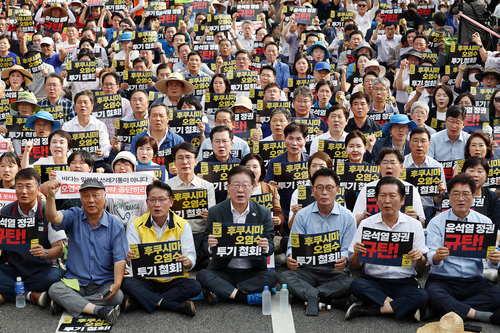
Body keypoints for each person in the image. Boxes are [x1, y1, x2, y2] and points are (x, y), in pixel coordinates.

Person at [46, 179, 128, 324]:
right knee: (55, 289)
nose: (91, 200)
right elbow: (54, 217)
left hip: (103, 283)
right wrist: (51, 196)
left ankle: (67, 303)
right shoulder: (74, 215)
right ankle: (98, 310)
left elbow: (120, 258)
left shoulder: (115, 225)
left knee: (118, 296)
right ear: (80, 199)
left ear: (104, 198)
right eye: (86, 196)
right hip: (75, 282)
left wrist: (116, 283)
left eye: (95, 195)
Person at [347, 177, 429, 320]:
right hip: (374, 281)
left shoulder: (414, 225)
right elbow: (355, 265)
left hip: (403, 281)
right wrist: (357, 254)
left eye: (392, 196)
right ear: (377, 199)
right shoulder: (367, 224)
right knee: (356, 285)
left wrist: (419, 257)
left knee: (422, 296)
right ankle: (403, 307)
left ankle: (369, 310)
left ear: (402, 200)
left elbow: (421, 267)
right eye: (382, 196)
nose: (387, 201)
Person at [425, 173, 500, 325]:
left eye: (466, 194)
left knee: (497, 294)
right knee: (432, 293)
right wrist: (437, 256)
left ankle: (440, 309)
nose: (460, 199)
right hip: (443, 280)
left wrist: (495, 258)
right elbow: (430, 254)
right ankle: (479, 315)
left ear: (473, 197)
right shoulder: (436, 222)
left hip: (473, 281)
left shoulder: (484, 222)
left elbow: (493, 256)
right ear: (449, 196)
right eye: (456, 194)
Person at [196, 166, 277, 305]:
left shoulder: (263, 212)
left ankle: (224, 293)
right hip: (223, 270)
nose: (240, 190)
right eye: (236, 185)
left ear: (252, 188)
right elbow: (205, 245)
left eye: (245, 186)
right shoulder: (215, 212)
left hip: (253, 271)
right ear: (228, 187)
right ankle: (244, 297)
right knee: (202, 275)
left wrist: (265, 247)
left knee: (271, 278)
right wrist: (210, 246)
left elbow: (271, 245)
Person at [279, 168, 356, 313]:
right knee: (284, 276)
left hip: (333, 271)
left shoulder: (348, 217)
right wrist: (290, 256)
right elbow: (293, 246)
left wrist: (344, 258)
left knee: (351, 283)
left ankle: (307, 294)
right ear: (312, 190)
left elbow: (348, 248)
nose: (324, 192)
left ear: (337, 190)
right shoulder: (302, 215)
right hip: (307, 270)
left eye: (329, 188)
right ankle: (325, 297)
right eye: (319, 188)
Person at [120, 181, 202, 316]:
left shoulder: (182, 225)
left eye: (162, 200)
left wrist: (188, 261)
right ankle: (170, 304)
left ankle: (141, 301)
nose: (157, 204)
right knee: (126, 282)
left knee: (195, 286)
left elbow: (191, 256)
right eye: (152, 200)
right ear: (147, 202)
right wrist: (129, 258)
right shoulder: (136, 225)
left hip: (173, 279)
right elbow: (132, 262)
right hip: (146, 279)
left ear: (171, 202)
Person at [0, 168, 65, 308]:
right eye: (19, 186)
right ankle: (31, 295)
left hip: (42, 270)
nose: (24, 191)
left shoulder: (49, 213)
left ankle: (8, 291)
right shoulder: (5, 212)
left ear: (39, 189)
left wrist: (45, 253)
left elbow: (59, 249)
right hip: (14, 268)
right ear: (15, 189)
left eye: (29, 186)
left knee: (56, 274)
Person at [166, 143, 216, 268]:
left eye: (188, 157)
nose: (185, 162)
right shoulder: (166, 187)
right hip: (175, 237)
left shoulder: (207, 186)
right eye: (180, 158)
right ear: (175, 162)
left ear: (195, 161)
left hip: (199, 236)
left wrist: (209, 216)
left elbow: (212, 219)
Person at [354, 147, 426, 226]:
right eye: (385, 162)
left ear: (401, 168)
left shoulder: (410, 188)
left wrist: (416, 218)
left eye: (393, 162)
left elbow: (422, 223)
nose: (389, 166)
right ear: (380, 167)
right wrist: (362, 218)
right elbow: (354, 222)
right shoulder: (368, 188)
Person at [61, 91, 112, 171]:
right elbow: (65, 148)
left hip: (96, 162)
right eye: (79, 102)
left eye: (85, 102)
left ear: (92, 107)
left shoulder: (99, 125)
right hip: (74, 164)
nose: (82, 105)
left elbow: (106, 145)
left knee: (108, 170)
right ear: (74, 107)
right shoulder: (67, 126)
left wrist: (103, 152)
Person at [403, 127, 446, 219]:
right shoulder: (401, 164)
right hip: (404, 211)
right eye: (415, 141)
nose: (419, 145)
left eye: (423, 141)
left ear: (429, 144)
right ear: (409, 143)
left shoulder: (436, 166)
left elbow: (437, 201)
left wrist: (440, 193)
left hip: (428, 211)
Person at [461, 157, 500, 224]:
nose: (475, 175)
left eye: (480, 171)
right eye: (471, 171)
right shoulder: (453, 194)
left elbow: (497, 224)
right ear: (463, 173)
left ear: (486, 175)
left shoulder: (492, 197)